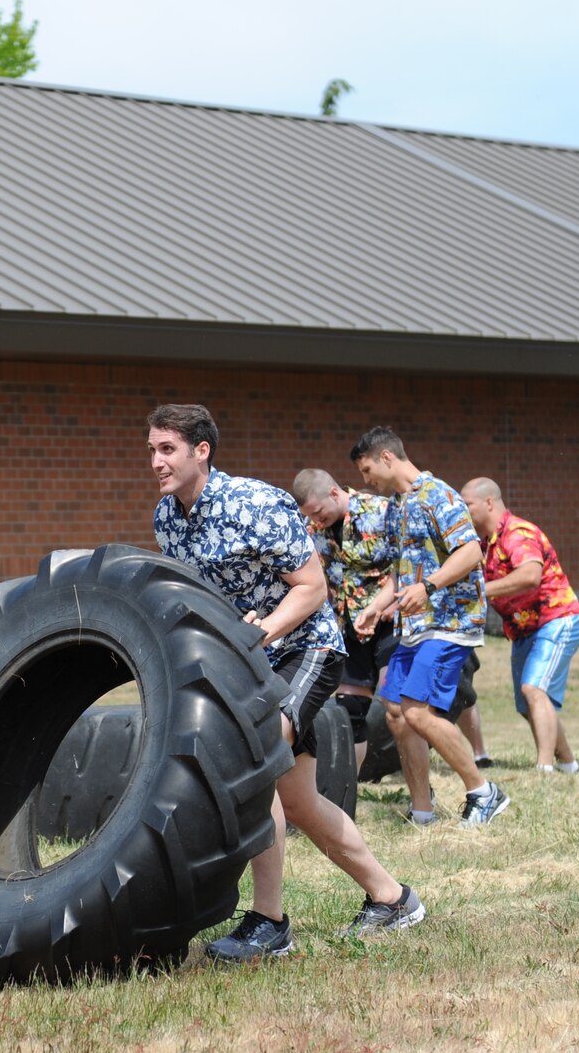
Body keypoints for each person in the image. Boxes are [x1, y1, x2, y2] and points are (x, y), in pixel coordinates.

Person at [149, 404, 423, 961]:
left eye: (168, 449)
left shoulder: (256, 504)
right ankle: (393, 899)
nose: (156, 461)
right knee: (296, 801)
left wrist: (264, 633)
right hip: (247, 664)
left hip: (306, 648)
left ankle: (269, 924)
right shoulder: (167, 520)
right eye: (152, 449)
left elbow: (312, 588)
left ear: (202, 451)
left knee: (255, 767)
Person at [352, 426, 508, 826]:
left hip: (449, 620)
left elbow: (471, 552)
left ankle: (483, 792)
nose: (365, 480)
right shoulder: (398, 506)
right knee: (395, 713)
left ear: (387, 458)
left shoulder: (438, 493)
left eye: (367, 469)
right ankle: (423, 810)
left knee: (418, 712)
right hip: (414, 624)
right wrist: (375, 607)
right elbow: (400, 571)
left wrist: (428, 586)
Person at [461, 477, 579, 773]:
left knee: (534, 689)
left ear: (489, 503)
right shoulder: (484, 543)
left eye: (467, 505)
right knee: (527, 703)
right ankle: (568, 764)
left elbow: (530, 576)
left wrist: (482, 592)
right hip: (523, 630)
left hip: (556, 619)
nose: (462, 512)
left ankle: (544, 768)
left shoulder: (518, 533)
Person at [290, 469, 396, 774]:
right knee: (350, 712)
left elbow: (406, 565)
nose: (317, 521)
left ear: (335, 493)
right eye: (311, 516)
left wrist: (386, 603)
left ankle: (419, 786)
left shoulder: (381, 512)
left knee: (397, 708)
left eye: (319, 512)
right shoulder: (312, 529)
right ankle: (348, 790)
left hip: (390, 621)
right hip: (348, 626)